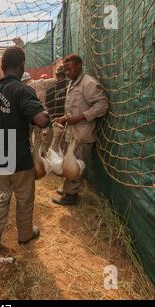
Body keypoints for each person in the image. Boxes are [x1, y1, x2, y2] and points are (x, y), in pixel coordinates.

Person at [0, 46, 50, 257]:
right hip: (19, 158)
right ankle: (25, 235)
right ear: (21, 66)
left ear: (2, 68)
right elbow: (40, 120)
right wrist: (46, 115)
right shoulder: (23, 90)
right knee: (24, 199)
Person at [52, 54, 109, 205]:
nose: (67, 72)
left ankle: (71, 196)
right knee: (68, 163)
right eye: (65, 70)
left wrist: (80, 117)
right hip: (71, 133)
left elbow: (102, 105)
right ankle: (67, 189)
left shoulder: (88, 84)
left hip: (82, 135)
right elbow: (73, 110)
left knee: (75, 165)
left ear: (79, 66)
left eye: (69, 68)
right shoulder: (73, 83)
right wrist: (64, 118)